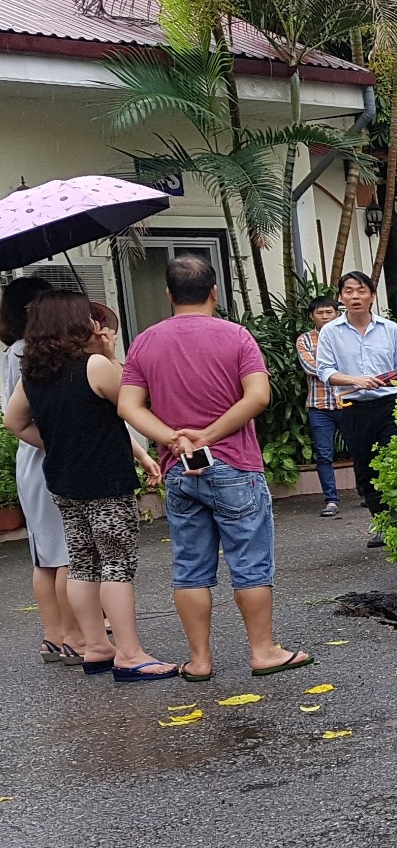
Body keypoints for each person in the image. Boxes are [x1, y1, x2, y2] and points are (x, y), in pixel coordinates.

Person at [118, 255, 312, 679]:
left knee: (189, 568)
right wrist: (209, 434)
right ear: (214, 291)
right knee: (250, 562)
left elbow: (128, 405)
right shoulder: (237, 337)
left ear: (168, 294)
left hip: (177, 469)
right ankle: (263, 651)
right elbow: (257, 396)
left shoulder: (145, 341)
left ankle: (200, 660)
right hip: (235, 464)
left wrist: (173, 438)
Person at [4, 290, 171, 680]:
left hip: (63, 480)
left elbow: (14, 422)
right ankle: (130, 654)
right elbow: (134, 399)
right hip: (105, 479)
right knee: (116, 564)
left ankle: (95, 647)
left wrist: (57, 440)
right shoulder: (96, 365)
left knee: (81, 561)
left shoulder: (35, 373)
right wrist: (111, 354)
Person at [1, 277, 83, 666]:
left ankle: (53, 635)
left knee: (44, 554)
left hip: (28, 458)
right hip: (49, 452)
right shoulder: (34, 354)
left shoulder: (11, 352)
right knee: (68, 552)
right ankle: (73, 635)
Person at [314, 271, 397, 549]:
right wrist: (355, 380)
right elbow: (325, 370)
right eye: (349, 291)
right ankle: (382, 524)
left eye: (361, 291)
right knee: (366, 467)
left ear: (372, 295)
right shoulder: (331, 331)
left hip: (389, 404)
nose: (355, 297)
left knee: (393, 461)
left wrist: (395, 378)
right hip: (352, 407)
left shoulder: (390, 329)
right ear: (341, 296)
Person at [295, 295, 342, 517]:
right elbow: (311, 368)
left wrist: (334, 371)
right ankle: (331, 500)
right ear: (312, 316)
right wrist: (340, 372)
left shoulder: (346, 336)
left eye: (329, 312)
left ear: (337, 313)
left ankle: (366, 493)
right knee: (324, 454)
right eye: (320, 313)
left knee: (362, 448)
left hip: (348, 401)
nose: (324, 316)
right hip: (319, 405)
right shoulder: (304, 340)